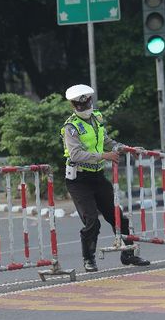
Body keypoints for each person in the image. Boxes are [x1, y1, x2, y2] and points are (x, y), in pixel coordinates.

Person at [61, 84, 150, 272]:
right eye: (80, 106)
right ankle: (89, 259)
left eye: (86, 104)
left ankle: (129, 254)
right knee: (92, 220)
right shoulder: (71, 127)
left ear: (90, 101)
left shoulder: (97, 118)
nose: (85, 108)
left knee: (119, 217)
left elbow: (107, 141)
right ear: (73, 106)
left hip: (98, 177)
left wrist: (127, 148)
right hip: (79, 180)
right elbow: (75, 154)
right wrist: (104, 156)